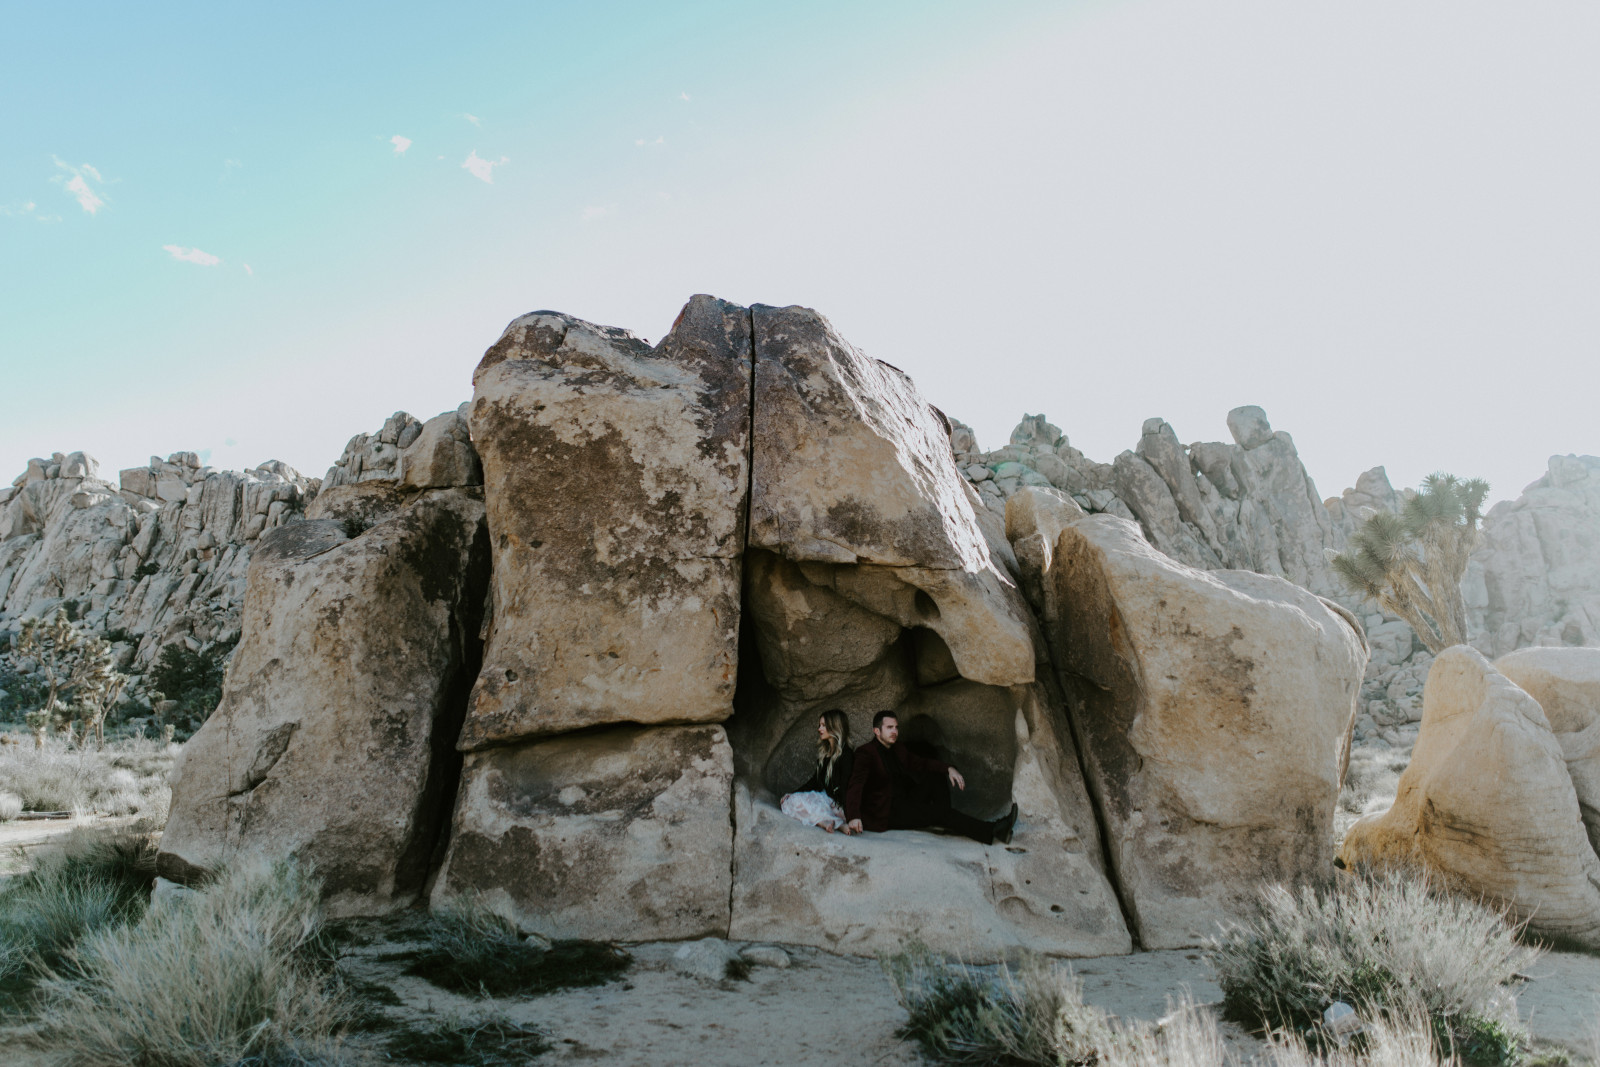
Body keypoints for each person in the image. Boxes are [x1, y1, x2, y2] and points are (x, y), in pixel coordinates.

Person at [843, 710, 1017, 844]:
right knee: (939, 812)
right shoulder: (866, 753)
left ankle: (944, 817)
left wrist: (949, 768)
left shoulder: (897, 748)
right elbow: (856, 784)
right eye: (889, 728)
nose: (894, 731)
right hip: (888, 811)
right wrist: (853, 816)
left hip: (906, 800)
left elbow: (920, 763)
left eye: (896, 727)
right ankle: (993, 830)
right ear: (877, 731)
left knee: (935, 776)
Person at [779, 710, 856, 833]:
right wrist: (793, 793)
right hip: (826, 799)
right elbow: (815, 781)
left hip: (838, 805)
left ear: (835, 727)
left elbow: (847, 784)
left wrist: (847, 811)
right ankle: (828, 822)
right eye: (819, 725)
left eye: (824, 725)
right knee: (789, 802)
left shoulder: (846, 754)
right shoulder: (825, 753)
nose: (820, 729)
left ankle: (837, 822)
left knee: (803, 803)